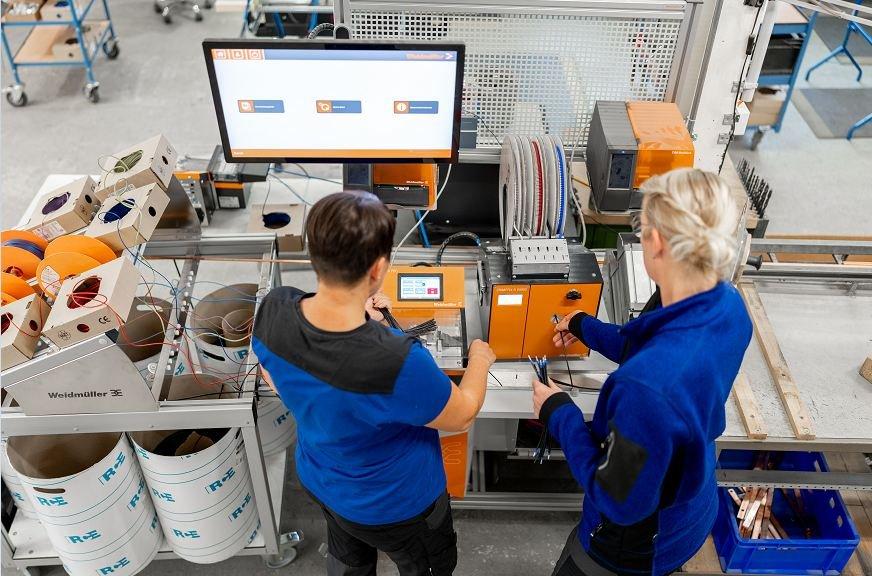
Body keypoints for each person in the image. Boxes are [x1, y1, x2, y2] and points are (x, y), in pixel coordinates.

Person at [251, 191, 496, 576]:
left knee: (350, 561)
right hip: (397, 505)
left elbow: (275, 374)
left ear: (313, 253)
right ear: (379, 269)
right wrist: (480, 358)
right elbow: (462, 415)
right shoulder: (399, 363)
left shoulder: (275, 308)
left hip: (323, 480)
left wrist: (364, 323)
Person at [534, 168, 753, 576]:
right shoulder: (728, 306)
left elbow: (617, 501)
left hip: (633, 549)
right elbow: (650, 345)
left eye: (642, 230)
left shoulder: (647, 391)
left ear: (656, 243)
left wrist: (559, 413)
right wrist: (584, 325)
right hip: (694, 508)